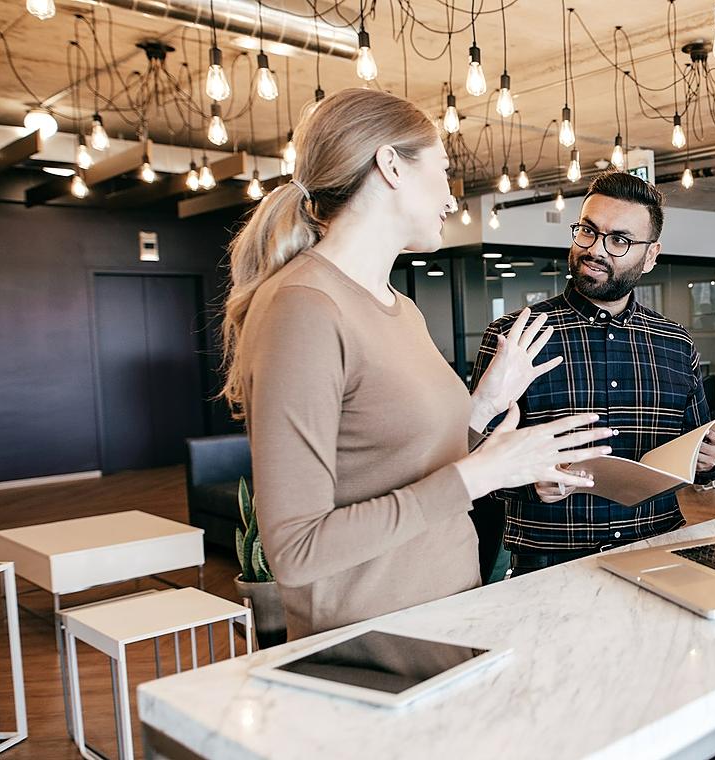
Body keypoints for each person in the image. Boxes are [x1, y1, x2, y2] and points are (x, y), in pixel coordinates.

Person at [221, 88, 614, 639]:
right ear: (390, 166)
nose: (453, 199)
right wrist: (483, 473)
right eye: (444, 169)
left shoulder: (398, 306)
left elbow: (403, 463)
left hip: (446, 616)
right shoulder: (304, 307)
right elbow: (298, 550)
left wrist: (486, 407)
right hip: (374, 643)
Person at [468, 171, 715, 577]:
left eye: (619, 240)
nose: (596, 249)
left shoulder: (675, 343)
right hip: (549, 565)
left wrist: (706, 460)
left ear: (651, 255)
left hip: (657, 550)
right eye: (587, 231)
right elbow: (474, 460)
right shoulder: (513, 337)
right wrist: (531, 481)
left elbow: (692, 453)